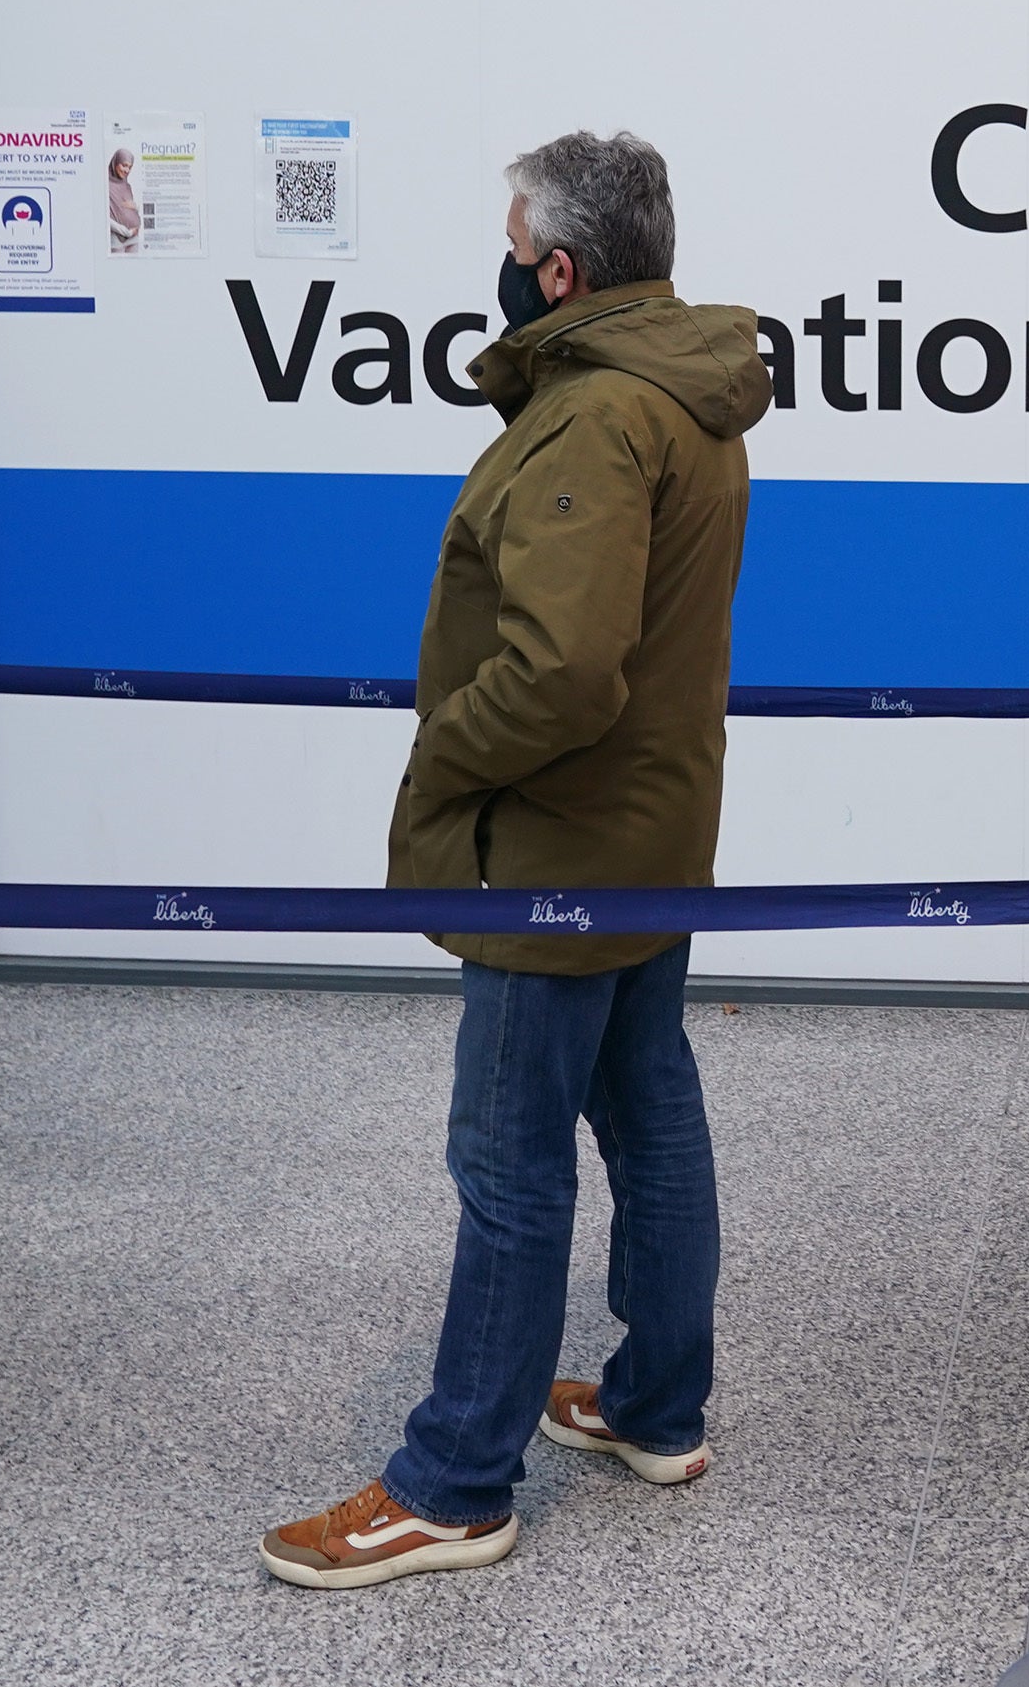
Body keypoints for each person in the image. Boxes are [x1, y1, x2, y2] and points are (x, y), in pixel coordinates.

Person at [263, 132, 770, 1592]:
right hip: (655, 824)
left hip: (559, 844)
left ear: (559, 268)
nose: (499, 260)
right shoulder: (688, 388)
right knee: (648, 1110)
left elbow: (560, 673)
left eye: (512, 240)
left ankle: (453, 1481)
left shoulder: (596, 416)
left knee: (507, 1160)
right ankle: (654, 1406)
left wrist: (442, 756)